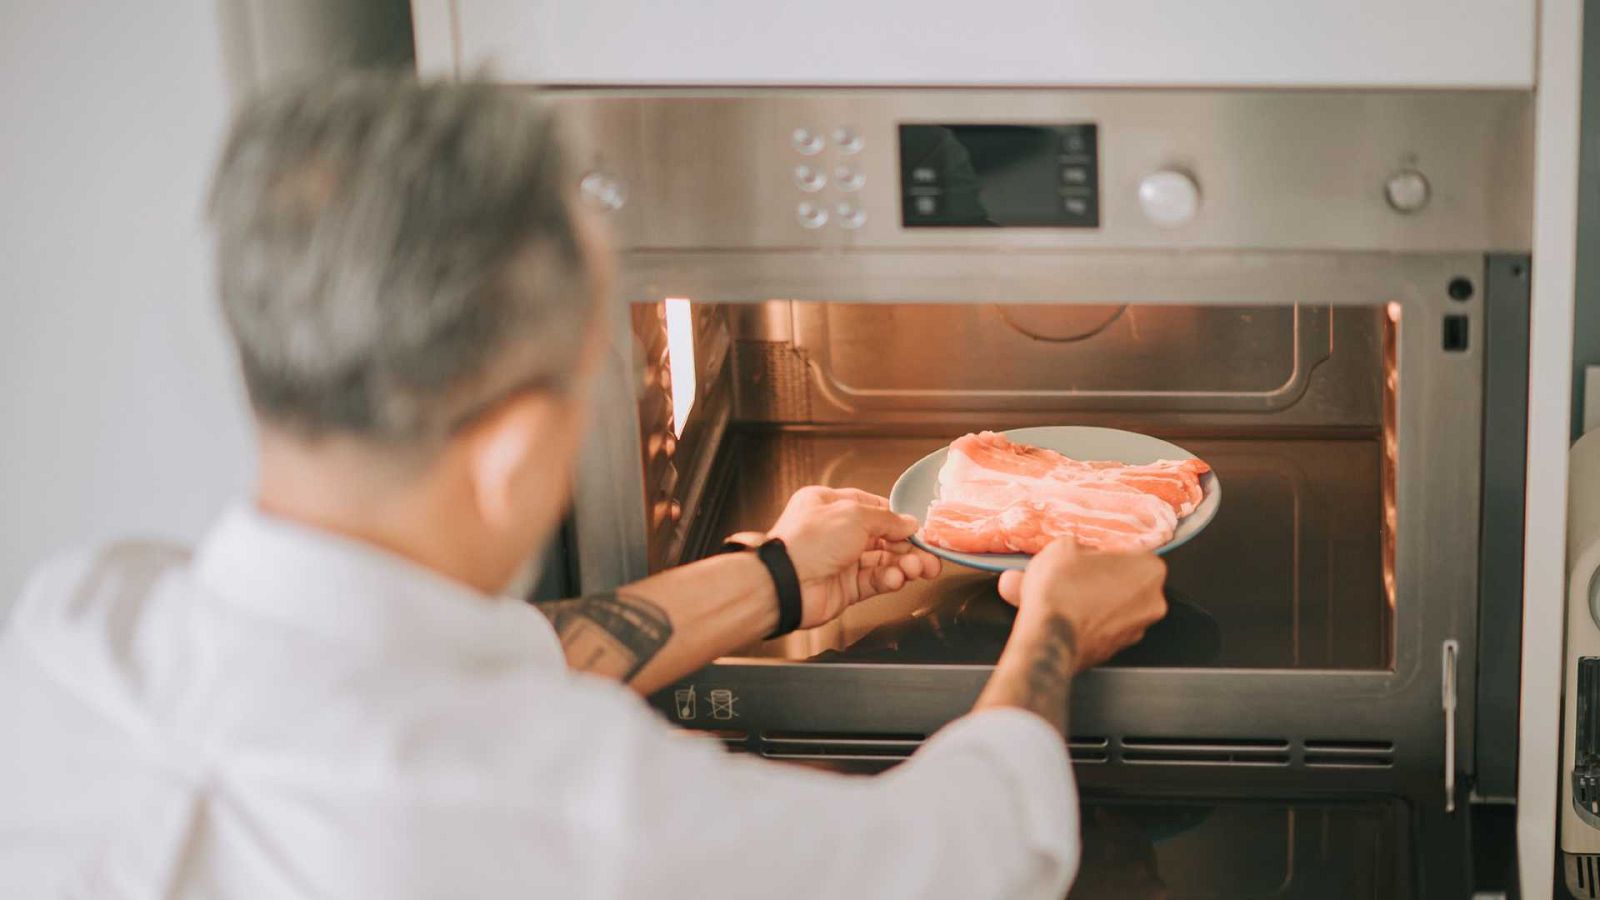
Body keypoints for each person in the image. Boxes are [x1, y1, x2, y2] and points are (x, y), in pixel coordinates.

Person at [0, 76, 1167, 899]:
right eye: (585, 381)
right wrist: (1055, 625)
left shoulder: (75, 623)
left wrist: (774, 577)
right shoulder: (578, 817)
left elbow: (422, 672)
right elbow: (967, 858)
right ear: (512, 451)